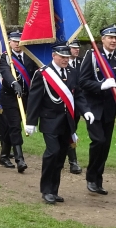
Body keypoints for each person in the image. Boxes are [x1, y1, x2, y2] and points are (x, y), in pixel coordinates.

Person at [24, 42, 88, 204]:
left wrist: (86, 110)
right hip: (49, 120)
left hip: (67, 122)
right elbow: (34, 99)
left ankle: (54, 190)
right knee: (52, 152)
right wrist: (31, 121)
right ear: (54, 56)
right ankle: (46, 190)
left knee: (60, 157)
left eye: (67, 57)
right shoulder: (43, 74)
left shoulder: (73, 73)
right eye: (62, 57)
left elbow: (78, 95)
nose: (66, 60)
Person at [78, 24, 116, 195]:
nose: (114, 41)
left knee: (106, 145)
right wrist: (100, 85)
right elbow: (82, 81)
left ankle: (98, 180)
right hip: (92, 107)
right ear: (103, 39)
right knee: (98, 141)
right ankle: (90, 177)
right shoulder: (92, 56)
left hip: (109, 109)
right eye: (110, 37)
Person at [0, 30, 36, 172]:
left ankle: (4, 156)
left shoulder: (30, 57)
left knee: (10, 127)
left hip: (25, 97)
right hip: (9, 97)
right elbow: (5, 72)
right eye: (14, 41)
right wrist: (14, 83)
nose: (17, 44)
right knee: (15, 126)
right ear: (9, 43)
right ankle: (20, 159)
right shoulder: (5, 57)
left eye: (19, 41)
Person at [65, 39, 83, 174]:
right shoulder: (61, 63)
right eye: (73, 47)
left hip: (75, 104)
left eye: (78, 48)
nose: (77, 50)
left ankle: (72, 161)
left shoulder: (82, 63)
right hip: (61, 104)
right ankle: (72, 161)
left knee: (72, 130)